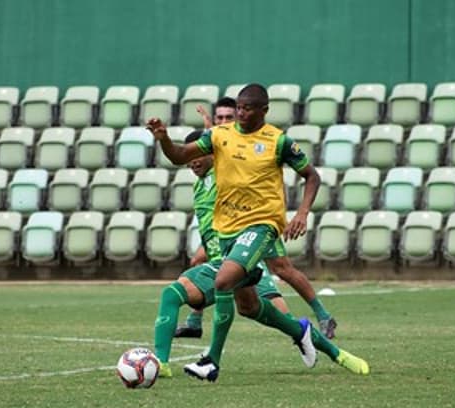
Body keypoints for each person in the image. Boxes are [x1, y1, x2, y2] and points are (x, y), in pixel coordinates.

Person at [147, 83, 369, 382]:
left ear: (264, 110)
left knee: (233, 278)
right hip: (227, 237)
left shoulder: (278, 141)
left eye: (247, 108)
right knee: (246, 307)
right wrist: (163, 139)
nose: (240, 112)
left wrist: (301, 213)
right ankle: (324, 345)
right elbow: (178, 155)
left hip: (261, 227)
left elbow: (311, 176)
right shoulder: (219, 136)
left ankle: (211, 360)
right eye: (238, 107)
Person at [175, 97, 338, 339]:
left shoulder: (264, 142)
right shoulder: (218, 146)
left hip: (257, 220)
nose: (225, 121)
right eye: (220, 118)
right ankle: (195, 321)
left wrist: (290, 213)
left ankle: (316, 320)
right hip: (230, 223)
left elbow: (274, 178)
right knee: (200, 261)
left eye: (228, 117)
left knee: (280, 270)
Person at [154, 129, 291, 378]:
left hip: (240, 256)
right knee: (173, 293)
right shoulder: (198, 184)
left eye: (198, 155)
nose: (193, 161)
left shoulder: (223, 173)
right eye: (190, 158)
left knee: (282, 315)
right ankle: (164, 362)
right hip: (219, 260)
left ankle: (312, 339)